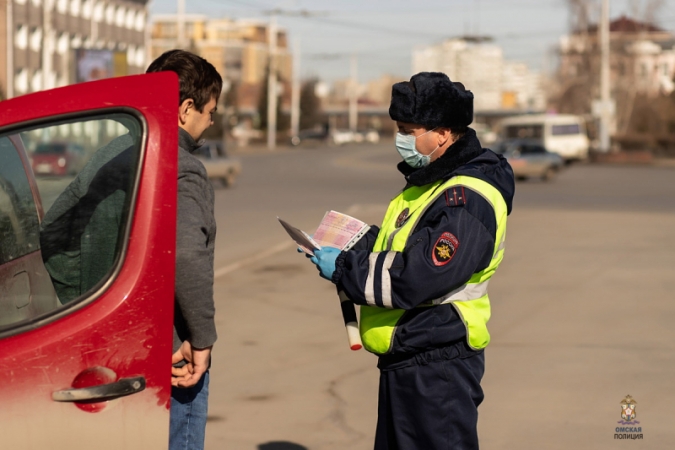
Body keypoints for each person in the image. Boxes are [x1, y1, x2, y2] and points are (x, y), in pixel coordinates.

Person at [306, 72, 515, 449]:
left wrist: (343, 268)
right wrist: (352, 244)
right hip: (410, 358)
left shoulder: (467, 197)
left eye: (408, 130)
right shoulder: (430, 182)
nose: (401, 140)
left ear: (442, 133)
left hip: (438, 364)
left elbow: (416, 275)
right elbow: (401, 246)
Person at [146, 50, 221, 450]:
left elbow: (57, 233)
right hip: (175, 353)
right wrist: (202, 338)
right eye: (210, 112)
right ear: (185, 108)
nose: (210, 123)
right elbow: (188, 256)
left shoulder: (113, 156)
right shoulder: (182, 166)